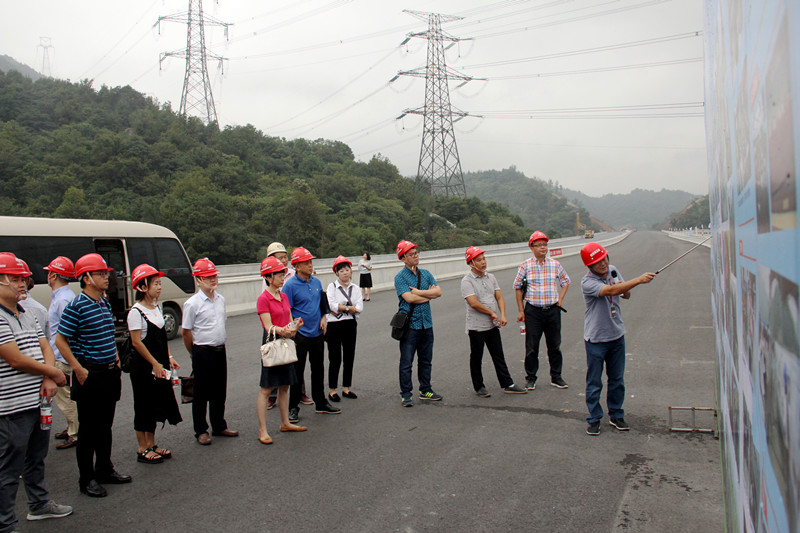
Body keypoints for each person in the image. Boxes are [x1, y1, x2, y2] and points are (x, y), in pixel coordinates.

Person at [0, 252, 73, 530]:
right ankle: (5, 523)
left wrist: (49, 378)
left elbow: (45, 346)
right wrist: (52, 373)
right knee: (8, 467)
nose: (23, 284)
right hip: (12, 407)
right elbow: (15, 358)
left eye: (24, 279)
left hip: (37, 401)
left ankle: (39, 504)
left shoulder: (27, 312)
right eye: (16, 279)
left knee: (35, 458)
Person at [56, 253, 131, 498]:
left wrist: (117, 358)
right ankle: (86, 479)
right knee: (88, 429)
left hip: (109, 371)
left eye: (106, 273)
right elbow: (61, 340)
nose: (106, 277)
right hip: (90, 373)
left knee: (105, 426)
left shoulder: (104, 302)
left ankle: (105, 469)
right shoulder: (76, 306)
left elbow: (109, 334)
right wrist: (77, 368)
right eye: (100, 273)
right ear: (86, 278)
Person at [580, 242, 655, 436]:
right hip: (596, 339)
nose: (603, 264)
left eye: (604, 259)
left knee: (617, 379)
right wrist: (638, 280)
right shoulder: (587, 283)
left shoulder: (612, 271)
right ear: (590, 266)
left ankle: (616, 414)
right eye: (597, 262)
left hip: (616, 335)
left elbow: (625, 294)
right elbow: (610, 291)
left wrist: (622, 284)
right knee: (594, 381)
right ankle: (594, 418)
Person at [127, 264, 182, 463]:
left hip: (158, 365)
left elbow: (161, 339)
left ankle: (152, 444)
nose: (159, 287)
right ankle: (142, 448)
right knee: (143, 405)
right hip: (143, 368)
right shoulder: (136, 312)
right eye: (155, 284)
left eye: (159, 283)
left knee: (156, 404)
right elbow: (136, 342)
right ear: (142, 287)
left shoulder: (157, 308)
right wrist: (154, 364)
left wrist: (168, 357)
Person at [181, 258, 238, 446]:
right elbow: (186, 332)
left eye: (214, 276)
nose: (213, 280)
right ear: (198, 280)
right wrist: (194, 352)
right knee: (201, 393)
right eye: (208, 277)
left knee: (219, 390)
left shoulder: (221, 300)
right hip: (202, 351)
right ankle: (201, 430)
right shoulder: (192, 304)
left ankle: (219, 425)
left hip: (220, 350)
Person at [282, 246, 340, 422]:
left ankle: (320, 403)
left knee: (318, 369)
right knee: (297, 372)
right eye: (306, 262)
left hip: (317, 332)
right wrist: (293, 328)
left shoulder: (316, 282)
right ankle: (293, 407)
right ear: (297, 266)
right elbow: (287, 309)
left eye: (311, 261)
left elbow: (321, 303)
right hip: (300, 335)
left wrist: (324, 318)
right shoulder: (290, 285)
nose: (310, 264)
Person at [460, 247, 527, 397]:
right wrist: (492, 312)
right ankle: (479, 387)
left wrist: (502, 314)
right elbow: (473, 303)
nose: (483, 262)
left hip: (492, 325)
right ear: (471, 263)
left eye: (483, 259)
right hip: (476, 326)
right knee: (477, 357)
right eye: (479, 260)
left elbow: (499, 296)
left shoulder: (491, 277)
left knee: (498, 355)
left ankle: (507, 383)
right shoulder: (467, 281)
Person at [256, 257, 307, 444]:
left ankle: (285, 422)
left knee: (285, 385)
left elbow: (289, 319)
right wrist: (283, 330)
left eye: (282, 274)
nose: (282, 277)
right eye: (278, 274)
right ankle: (263, 430)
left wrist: (295, 326)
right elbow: (267, 325)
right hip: (273, 343)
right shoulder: (263, 299)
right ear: (268, 277)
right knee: (266, 388)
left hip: (285, 341)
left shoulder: (283, 296)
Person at [513, 231, 570, 391]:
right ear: (532, 247)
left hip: (552, 310)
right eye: (539, 245)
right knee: (532, 346)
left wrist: (560, 299)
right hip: (533, 311)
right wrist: (520, 310)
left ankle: (556, 376)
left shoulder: (555, 264)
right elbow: (517, 288)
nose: (543, 248)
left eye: (545, 244)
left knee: (554, 345)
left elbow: (566, 281)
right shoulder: (525, 265)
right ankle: (531, 377)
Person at [394, 240, 443, 407]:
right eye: (411, 254)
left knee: (426, 360)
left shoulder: (426, 273)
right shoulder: (400, 277)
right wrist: (428, 295)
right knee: (406, 361)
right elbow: (409, 298)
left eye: (416, 253)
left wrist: (421, 293)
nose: (416, 256)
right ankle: (406, 394)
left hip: (426, 323)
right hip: (410, 326)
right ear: (403, 258)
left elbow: (438, 291)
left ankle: (425, 389)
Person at [263, 242, 306, 410]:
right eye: (279, 258)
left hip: (288, 326)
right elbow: (266, 304)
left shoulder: (295, 275)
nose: (283, 261)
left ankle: (298, 393)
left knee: (293, 361)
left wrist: (293, 326)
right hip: (275, 328)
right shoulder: (267, 281)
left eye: (285, 257)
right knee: (273, 362)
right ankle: (272, 396)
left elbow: (287, 305)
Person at [43, 256, 79, 450]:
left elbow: (70, 332)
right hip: (60, 354)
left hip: (60, 356)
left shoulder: (63, 299)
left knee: (66, 397)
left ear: (53, 274)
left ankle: (75, 432)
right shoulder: (62, 296)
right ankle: (71, 426)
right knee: (66, 396)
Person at [325, 256, 363, 402]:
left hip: (350, 324)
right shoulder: (332, 287)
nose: (345, 273)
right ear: (336, 273)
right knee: (335, 358)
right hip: (334, 325)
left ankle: (347, 387)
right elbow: (332, 306)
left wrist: (343, 309)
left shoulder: (356, 288)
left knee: (349, 356)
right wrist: (349, 308)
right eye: (341, 271)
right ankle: (332, 389)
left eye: (347, 269)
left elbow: (360, 308)